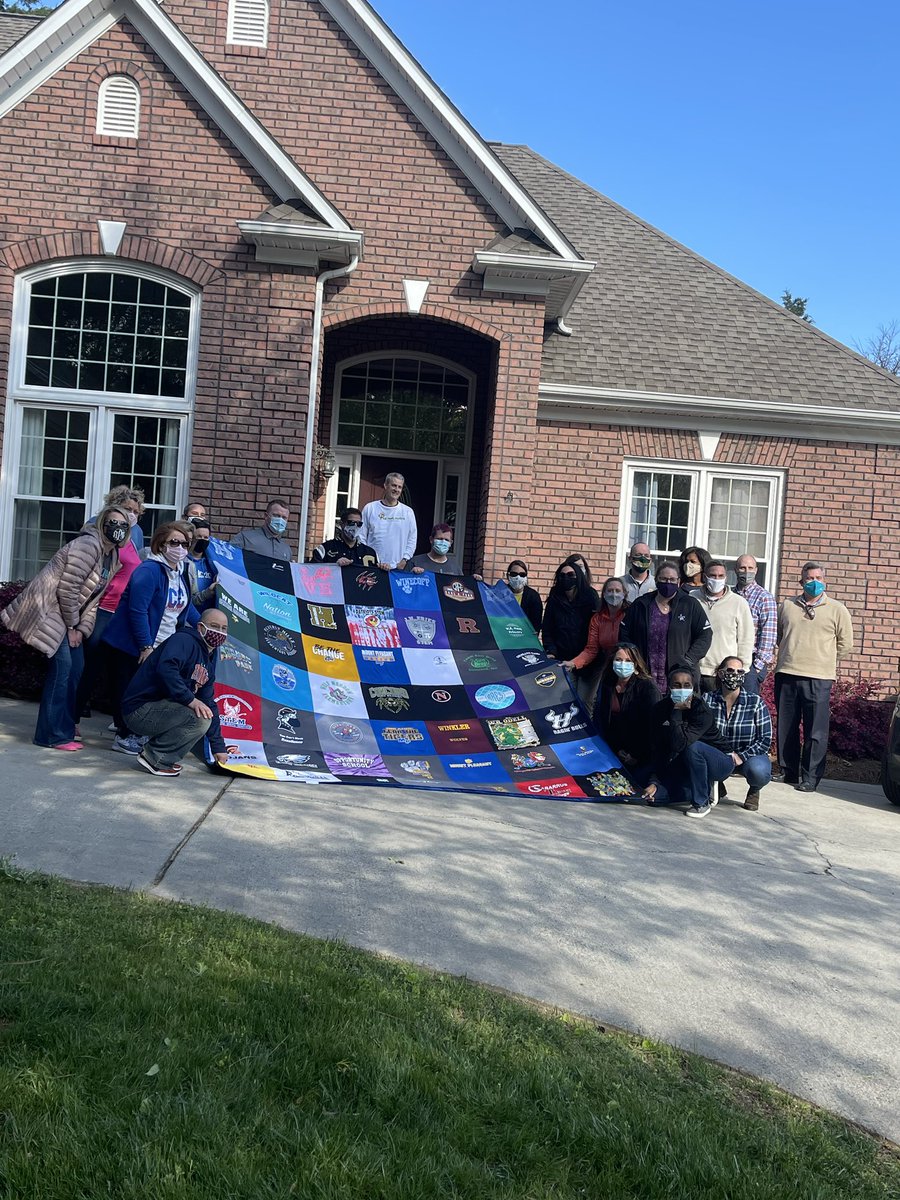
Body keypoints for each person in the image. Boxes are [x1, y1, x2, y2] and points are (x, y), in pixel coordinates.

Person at [1, 506, 130, 751]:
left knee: (76, 670)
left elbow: (94, 600)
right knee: (63, 669)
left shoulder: (111, 556)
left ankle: (65, 728)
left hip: (69, 617)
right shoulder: (89, 546)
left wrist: (82, 629)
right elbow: (67, 589)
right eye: (112, 522)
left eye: (123, 525)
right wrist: (72, 625)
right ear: (102, 524)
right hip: (52, 609)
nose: (117, 528)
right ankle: (50, 735)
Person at [103, 521, 201, 755]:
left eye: (184, 544)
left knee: (152, 693)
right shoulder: (149, 571)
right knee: (132, 693)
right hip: (132, 644)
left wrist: (208, 625)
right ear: (161, 544)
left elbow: (185, 608)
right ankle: (124, 736)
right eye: (174, 543)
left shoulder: (180, 572)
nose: (180, 548)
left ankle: (138, 733)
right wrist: (145, 645)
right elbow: (138, 610)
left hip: (162, 642)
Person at [122, 607, 236, 778]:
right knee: (200, 719)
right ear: (200, 627)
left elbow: (209, 703)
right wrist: (190, 699)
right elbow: (166, 668)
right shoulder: (183, 640)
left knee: (205, 713)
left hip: (159, 710)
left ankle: (158, 755)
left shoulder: (207, 663)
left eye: (223, 628)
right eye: (214, 626)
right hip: (139, 710)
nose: (219, 632)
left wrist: (218, 747)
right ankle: (156, 758)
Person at [774, 561, 854, 792]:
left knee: (815, 730)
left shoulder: (837, 609)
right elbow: (780, 636)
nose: (814, 582)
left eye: (818, 578)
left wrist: (823, 659)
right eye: (809, 578)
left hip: (819, 677)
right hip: (788, 672)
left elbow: (845, 644)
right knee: (786, 726)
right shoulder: (787, 606)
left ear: (824, 580)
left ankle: (810, 777)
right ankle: (788, 771)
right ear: (801, 581)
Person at [76, 486, 146, 726]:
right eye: (127, 509)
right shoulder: (98, 526)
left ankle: (120, 724)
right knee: (89, 665)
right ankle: (72, 717)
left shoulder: (135, 533)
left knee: (119, 671)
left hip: (122, 610)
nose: (132, 514)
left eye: (136, 511)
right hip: (102, 607)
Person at [642, 665, 733, 818]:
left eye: (686, 685)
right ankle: (693, 790)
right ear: (669, 687)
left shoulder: (701, 710)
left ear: (693, 688)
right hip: (683, 762)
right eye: (677, 685)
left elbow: (680, 744)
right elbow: (657, 746)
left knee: (693, 747)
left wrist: (676, 712)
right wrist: (655, 781)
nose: (681, 689)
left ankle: (701, 803)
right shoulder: (659, 709)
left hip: (719, 761)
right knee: (651, 795)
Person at [620, 560, 712, 694]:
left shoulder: (690, 604)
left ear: (679, 581)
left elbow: (705, 635)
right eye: (663, 579)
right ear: (656, 580)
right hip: (645, 676)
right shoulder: (641, 604)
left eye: (672, 579)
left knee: (677, 713)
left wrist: (688, 660)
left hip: (680, 678)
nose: (668, 583)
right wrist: (633, 658)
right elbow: (624, 632)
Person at [704, 657, 774, 812]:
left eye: (739, 671)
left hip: (748, 756)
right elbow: (701, 732)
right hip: (719, 755)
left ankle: (754, 790)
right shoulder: (708, 700)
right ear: (720, 674)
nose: (735, 674)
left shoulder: (755, 702)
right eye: (730, 670)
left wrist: (741, 756)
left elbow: (765, 739)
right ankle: (717, 783)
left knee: (759, 771)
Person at [592, 643, 660, 783]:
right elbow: (600, 720)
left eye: (628, 661)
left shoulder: (647, 687)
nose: (623, 664)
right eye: (618, 660)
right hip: (613, 750)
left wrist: (635, 754)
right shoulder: (607, 684)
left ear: (636, 663)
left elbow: (652, 726)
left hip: (641, 753)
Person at [562, 576, 628, 707]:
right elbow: (591, 649)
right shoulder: (597, 618)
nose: (613, 594)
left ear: (624, 594)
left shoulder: (631, 613)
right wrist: (574, 663)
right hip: (605, 664)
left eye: (617, 590)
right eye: (609, 591)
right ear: (603, 594)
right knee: (588, 701)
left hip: (626, 664)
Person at [690, 560, 754, 692]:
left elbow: (746, 640)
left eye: (721, 576)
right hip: (694, 669)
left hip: (723, 672)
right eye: (713, 576)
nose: (717, 579)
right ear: (705, 577)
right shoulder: (692, 599)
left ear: (726, 578)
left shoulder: (739, 603)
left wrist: (742, 669)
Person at [734, 554, 777, 694]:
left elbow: (769, 634)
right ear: (735, 569)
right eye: (742, 568)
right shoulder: (729, 596)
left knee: (748, 706)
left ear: (756, 570)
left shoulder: (764, 597)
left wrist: (757, 666)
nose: (746, 572)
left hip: (751, 661)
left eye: (750, 568)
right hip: (729, 656)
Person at [541, 560, 599, 663]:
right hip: (560, 657)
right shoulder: (555, 596)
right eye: (562, 575)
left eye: (570, 575)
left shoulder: (590, 595)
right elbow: (547, 627)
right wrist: (551, 650)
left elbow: (596, 626)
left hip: (585, 658)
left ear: (578, 576)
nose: (566, 578)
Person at [360, 472, 417, 570]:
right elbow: (361, 536)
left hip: (398, 568)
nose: (396, 489)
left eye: (399, 487)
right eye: (394, 485)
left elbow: (412, 539)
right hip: (373, 566)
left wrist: (405, 559)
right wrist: (368, 559)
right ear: (385, 486)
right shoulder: (370, 508)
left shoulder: (408, 512)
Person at [311, 507, 378, 567]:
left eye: (359, 524)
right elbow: (312, 572)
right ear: (341, 524)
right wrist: (335, 566)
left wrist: (384, 568)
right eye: (351, 523)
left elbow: (378, 577)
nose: (355, 527)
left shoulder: (370, 552)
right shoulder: (325, 549)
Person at [186, 519, 218, 608]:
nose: (202, 540)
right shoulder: (183, 563)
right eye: (199, 537)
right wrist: (207, 593)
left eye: (206, 537)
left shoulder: (213, 563)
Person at [505, 560, 543, 633]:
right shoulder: (500, 593)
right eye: (514, 574)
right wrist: (477, 581)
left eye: (522, 574)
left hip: (523, 639)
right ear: (508, 575)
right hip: (503, 636)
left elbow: (536, 623)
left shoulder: (533, 596)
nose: (518, 577)